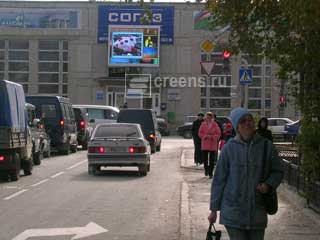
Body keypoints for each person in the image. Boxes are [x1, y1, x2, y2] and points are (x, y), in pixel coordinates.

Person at [208, 107, 283, 240]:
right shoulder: (229, 149)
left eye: (250, 120)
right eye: (243, 121)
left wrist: (269, 184)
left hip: (257, 211)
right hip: (233, 212)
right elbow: (219, 179)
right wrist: (213, 209)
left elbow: (278, 171)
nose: (248, 123)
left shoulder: (266, 146)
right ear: (237, 127)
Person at [198, 112, 221, 178]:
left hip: (212, 143)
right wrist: (205, 136)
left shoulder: (215, 125)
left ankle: (211, 173)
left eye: (210, 117)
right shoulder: (203, 124)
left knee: (212, 159)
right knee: (205, 159)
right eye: (207, 117)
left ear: (212, 118)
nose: (208, 118)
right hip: (205, 143)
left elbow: (219, 134)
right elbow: (200, 133)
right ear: (206, 118)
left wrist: (213, 137)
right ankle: (206, 170)